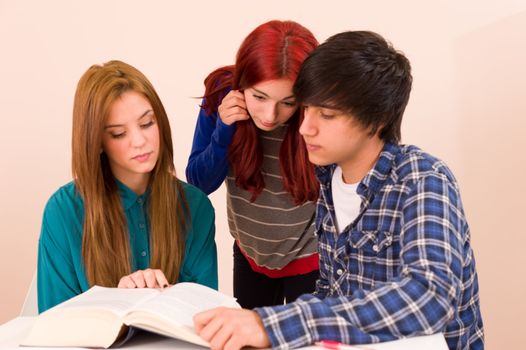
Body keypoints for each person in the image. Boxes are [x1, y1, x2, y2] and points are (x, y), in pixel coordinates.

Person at [193, 31, 484, 350]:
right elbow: (333, 297)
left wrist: (275, 325)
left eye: (327, 115)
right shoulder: (329, 182)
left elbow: (431, 298)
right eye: (306, 110)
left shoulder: (423, 178)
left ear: (377, 120)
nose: (305, 128)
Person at [37, 60, 217, 313]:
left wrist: (161, 301)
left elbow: (208, 317)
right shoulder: (63, 211)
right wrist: (118, 303)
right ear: (96, 141)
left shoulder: (195, 207)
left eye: (147, 124)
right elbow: (54, 326)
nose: (140, 141)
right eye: (119, 133)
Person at [186, 20, 319, 309]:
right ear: (242, 83)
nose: (270, 115)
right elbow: (199, 184)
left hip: (311, 261)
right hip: (250, 256)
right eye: (259, 97)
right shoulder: (221, 97)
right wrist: (223, 131)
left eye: (288, 102)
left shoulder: (316, 113)